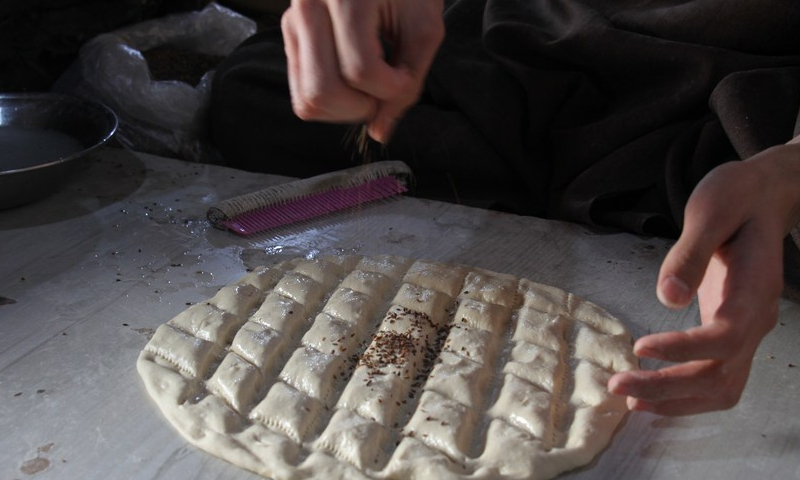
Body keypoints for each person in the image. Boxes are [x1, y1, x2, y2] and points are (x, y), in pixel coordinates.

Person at [210, 0, 800, 416]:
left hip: (721, 89)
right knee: (255, 90)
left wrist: (787, 172)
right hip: (537, 36)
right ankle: (545, 196)